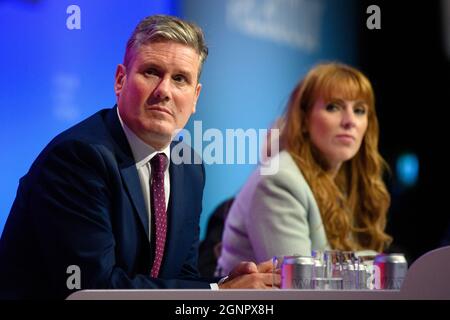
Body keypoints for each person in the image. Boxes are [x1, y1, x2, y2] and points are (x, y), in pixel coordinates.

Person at [0, 15, 276, 299]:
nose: (164, 91)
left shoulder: (189, 166)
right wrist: (219, 290)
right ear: (120, 80)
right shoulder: (78, 157)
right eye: (152, 72)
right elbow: (93, 288)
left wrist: (230, 284)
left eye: (179, 79)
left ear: (195, 98)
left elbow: (181, 277)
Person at [217, 62, 392, 275]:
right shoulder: (279, 180)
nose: (350, 121)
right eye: (333, 107)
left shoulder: (349, 185)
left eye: (359, 110)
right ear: (305, 119)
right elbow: (300, 288)